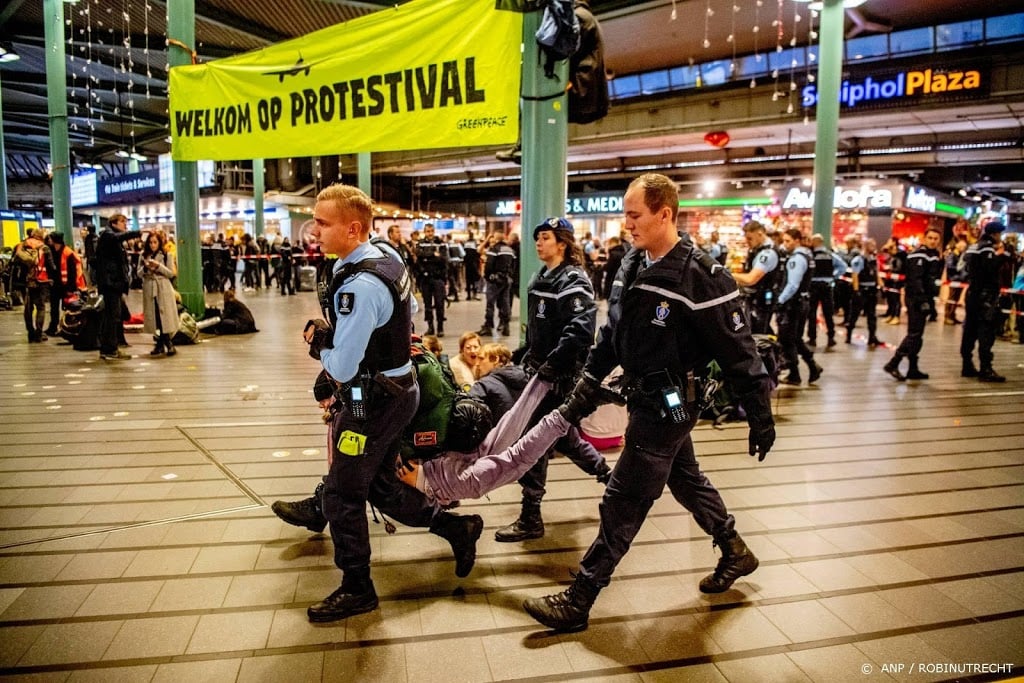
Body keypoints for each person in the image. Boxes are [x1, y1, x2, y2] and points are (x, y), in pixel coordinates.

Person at [522, 173, 775, 633]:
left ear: (665, 213)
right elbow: (613, 333)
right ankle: (735, 551)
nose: (627, 224)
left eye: (635, 215)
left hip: (670, 405)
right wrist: (588, 381)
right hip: (643, 396)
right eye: (626, 214)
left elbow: (741, 352)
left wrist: (760, 416)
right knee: (686, 478)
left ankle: (580, 597)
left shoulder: (702, 276)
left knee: (625, 498)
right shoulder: (633, 264)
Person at [300, 183, 482, 623]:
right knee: (379, 485)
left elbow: (342, 367)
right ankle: (455, 526)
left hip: (371, 402)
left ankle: (357, 588)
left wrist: (319, 341)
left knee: (344, 494)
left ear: (353, 228)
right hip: (401, 389)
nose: (314, 231)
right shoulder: (387, 257)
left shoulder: (359, 287)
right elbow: (413, 309)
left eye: (323, 224)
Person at [494, 216, 608, 543]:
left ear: (562, 243)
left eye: (545, 238)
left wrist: (550, 365)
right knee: (564, 436)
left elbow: (580, 332)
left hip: (558, 377)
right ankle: (607, 475)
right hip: (540, 371)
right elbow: (538, 328)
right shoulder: (542, 277)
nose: (538, 243)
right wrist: (524, 352)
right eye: (537, 238)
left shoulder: (573, 280)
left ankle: (531, 517)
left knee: (534, 442)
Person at [884, 227, 943, 381]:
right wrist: (923, 300)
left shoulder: (933, 255)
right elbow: (916, 280)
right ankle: (893, 363)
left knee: (918, 336)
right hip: (917, 299)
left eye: (936, 238)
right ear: (924, 238)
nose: (933, 241)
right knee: (914, 334)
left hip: (924, 298)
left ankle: (913, 368)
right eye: (930, 238)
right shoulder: (920, 255)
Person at [960, 220, 1009, 382]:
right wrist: (1004, 256)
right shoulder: (987, 248)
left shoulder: (973, 247)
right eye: (999, 233)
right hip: (985, 296)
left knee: (970, 330)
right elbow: (990, 269)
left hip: (972, 293)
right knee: (985, 332)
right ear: (994, 234)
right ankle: (985, 368)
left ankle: (967, 364)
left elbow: (964, 267)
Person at [776, 229, 822, 385]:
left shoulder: (796, 259)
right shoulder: (808, 256)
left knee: (786, 339)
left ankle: (795, 373)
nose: (785, 244)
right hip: (802, 302)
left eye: (788, 241)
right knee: (795, 338)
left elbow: (793, 284)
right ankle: (812, 365)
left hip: (793, 304)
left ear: (797, 240)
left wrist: (780, 301)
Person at [93, 214, 140, 360]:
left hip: (113, 283)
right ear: (114, 223)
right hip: (111, 283)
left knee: (114, 316)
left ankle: (111, 347)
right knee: (112, 316)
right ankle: (109, 349)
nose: (125, 225)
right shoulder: (108, 235)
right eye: (123, 222)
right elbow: (116, 238)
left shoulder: (110, 237)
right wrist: (136, 233)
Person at [733, 220, 780, 334]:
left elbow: (751, 279)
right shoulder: (758, 249)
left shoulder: (767, 253)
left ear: (760, 234)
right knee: (761, 330)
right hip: (756, 299)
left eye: (750, 238)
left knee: (759, 335)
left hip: (762, 300)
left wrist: (727, 274)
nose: (747, 242)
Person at [138, 231, 180, 356]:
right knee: (155, 316)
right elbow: (138, 274)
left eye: (155, 242)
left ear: (159, 243)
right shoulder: (143, 255)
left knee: (164, 316)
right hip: (149, 287)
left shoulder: (167, 255)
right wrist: (145, 268)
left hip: (163, 287)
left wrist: (158, 266)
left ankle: (165, 343)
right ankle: (164, 344)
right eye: (150, 242)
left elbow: (170, 273)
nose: (152, 245)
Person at [13, 229, 55, 343]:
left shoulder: (21, 246)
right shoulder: (44, 248)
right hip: (40, 281)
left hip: (24, 282)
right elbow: (51, 266)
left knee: (28, 309)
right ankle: (39, 333)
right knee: (41, 307)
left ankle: (30, 333)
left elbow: (14, 263)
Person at [806, 234, 845, 348]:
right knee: (828, 312)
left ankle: (812, 338)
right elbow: (842, 266)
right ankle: (831, 337)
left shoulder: (811, 255)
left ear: (815, 242)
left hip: (813, 286)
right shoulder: (830, 255)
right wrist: (833, 276)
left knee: (812, 312)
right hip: (827, 286)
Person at [44, 232, 84, 338]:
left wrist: (71, 288)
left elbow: (72, 272)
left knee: (68, 308)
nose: (48, 241)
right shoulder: (50, 251)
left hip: (66, 286)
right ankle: (53, 327)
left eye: (50, 239)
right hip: (55, 285)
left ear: (54, 240)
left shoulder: (68, 253)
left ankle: (67, 327)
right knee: (54, 308)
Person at [845, 237, 882, 347]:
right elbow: (855, 276)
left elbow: (876, 273)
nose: (874, 248)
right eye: (871, 245)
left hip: (872, 290)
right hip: (862, 290)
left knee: (872, 315)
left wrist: (880, 284)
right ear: (866, 246)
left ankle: (872, 337)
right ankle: (849, 335)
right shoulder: (859, 260)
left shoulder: (873, 259)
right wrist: (856, 291)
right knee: (854, 314)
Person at [479, 231, 516, 337]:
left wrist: (487, 276)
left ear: (496, 239)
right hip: (506, 280)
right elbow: (514, 265)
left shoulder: (494, 249)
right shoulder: (510, 250)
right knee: (505, 303)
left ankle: (488, 326)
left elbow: (489, 265)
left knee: (490, 304)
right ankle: (506, 326)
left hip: (494, 280)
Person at [415, 223, 449, 337]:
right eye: (428, 231)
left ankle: (440, 327)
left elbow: (444, 259)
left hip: (438, 278)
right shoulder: (420, 243)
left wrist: (427, 257)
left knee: (440, 303)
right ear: (424, 232)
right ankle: (430, 327)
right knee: (427, 305)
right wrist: (433, 254)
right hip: (425, 278)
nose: (430, 233)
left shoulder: (440, 243)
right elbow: (419, 255)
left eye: (431, 231)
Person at [944, 238, 969, 324]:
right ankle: (947, 316)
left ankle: (952, 315)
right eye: (962, 246)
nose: (963, 248)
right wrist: (959, 270)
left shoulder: (961, 256)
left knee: (956, 298)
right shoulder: (952, 255)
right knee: (951, 298)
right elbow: (950, 266)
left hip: (960, 280)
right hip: (953, 279)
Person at [463, 231, 482, 301]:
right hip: (474, 264)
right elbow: (478, 253)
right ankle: (475, 293)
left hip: (468, 264)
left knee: (468, 280)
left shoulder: (466, 243)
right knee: (474, 280)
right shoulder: (475, 243)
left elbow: (463, 253)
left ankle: (468, 296)